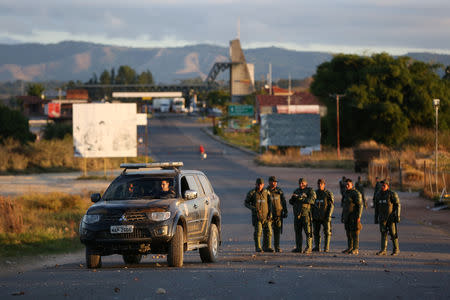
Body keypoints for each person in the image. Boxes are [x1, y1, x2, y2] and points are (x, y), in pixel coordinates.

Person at [245, 178, 274, 253]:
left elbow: (270, 203)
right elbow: (246, 203)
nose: (259, 186)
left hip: (266, 215)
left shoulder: (266, 192)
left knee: (269, 232)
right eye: (258, 184)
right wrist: (253, 208)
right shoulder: (252, 192)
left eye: (261, 184)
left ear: (263, 185)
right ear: (256, 184)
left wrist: (270, 213)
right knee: (258, 232)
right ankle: (258, 247)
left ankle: (268, 247)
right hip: (257, 216)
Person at [289, 178, 316, 253]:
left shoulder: (310, 190)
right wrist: (293, 198)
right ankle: (298, 248)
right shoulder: (296, 191)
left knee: (308, 232)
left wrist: (301, 199)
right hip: (297, 214)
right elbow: (291, 202)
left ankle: (309, 247)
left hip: (306, 214)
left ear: (306, 183)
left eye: (302, 183)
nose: (301, 185)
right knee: (297, 232)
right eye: (299, 183)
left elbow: (312, 200)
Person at [374, 180, 401, 256]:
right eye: (381, 185)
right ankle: (383, 250)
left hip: (391, 217)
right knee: (383, 233)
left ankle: (396, 249)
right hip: (382, 218)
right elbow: (376, 207)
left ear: (388, 186)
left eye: (384, 185)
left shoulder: (392, 194)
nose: (382, 187)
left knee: (393, 233)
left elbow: (397, 205)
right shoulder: (378, 195)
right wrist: (376, 218)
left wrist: (397, 216)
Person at [341, 178, 363, 255]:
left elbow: (360, 205)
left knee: (355, 232)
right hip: (347, 216)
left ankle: (355, 248)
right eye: (346, 184)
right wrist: (343, 216)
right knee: (348, 232)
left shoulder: (355, 193)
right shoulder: (346, 193)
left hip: (354, 216)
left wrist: (358, 216)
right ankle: (350, 247)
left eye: (348, 185)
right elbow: (344, 206)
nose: (347, 186)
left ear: (352, 185)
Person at [312, 179, 334, 252]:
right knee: (316, 232)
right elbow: (311, 204)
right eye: (318, 184)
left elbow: (331, 205)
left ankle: (326, 247)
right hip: (316, 216)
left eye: (321, 184)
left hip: (325, 216)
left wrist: (329, 215)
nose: (319, 185)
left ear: (324, 184)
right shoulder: (314, 193)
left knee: (327, 232)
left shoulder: (328, 193)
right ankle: (317, 247)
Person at [267, 176, 287, 252]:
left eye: (276, 182)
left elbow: (283, 201)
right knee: (268, 232)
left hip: (278, 214)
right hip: (269, 215)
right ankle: (268, 247)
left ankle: (277, 247)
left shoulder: (279, 191)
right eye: (273, 182)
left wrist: (285, 211)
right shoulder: (266, 191)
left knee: (277, 231)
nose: (275, 183)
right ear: (269, 182)